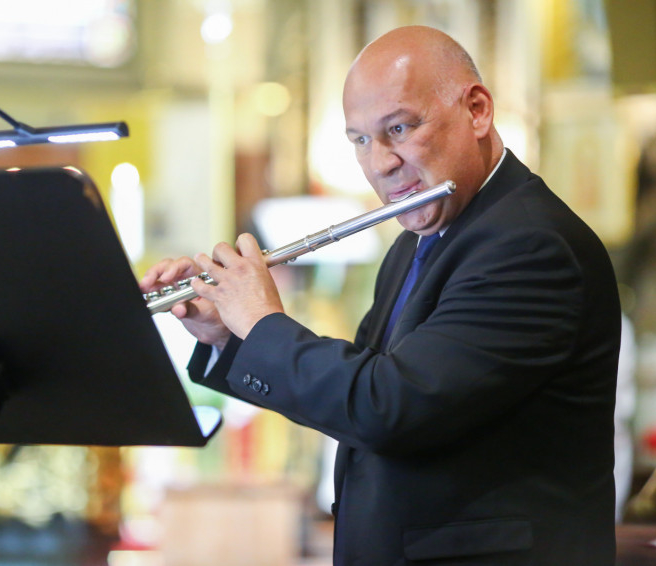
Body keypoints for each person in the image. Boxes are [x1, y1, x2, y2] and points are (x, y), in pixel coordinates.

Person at [140, 25, 621, 565]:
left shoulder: (531, 246)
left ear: (477, 111)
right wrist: (228, 334)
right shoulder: (418, 241)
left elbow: (387, 407)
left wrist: (262, 324)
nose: (380, 163)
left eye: (399, 128)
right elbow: (354, 398)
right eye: (361, 140)